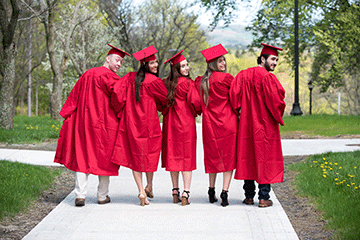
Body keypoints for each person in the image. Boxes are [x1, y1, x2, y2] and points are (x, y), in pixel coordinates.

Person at [54, 44, 130, 207]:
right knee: (105, 159)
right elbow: (119, 100)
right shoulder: (112, 78)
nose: (119, 64)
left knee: (82, 157)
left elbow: (73, 98)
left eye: (121, 62)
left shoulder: (87, 74)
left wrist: (68, 114)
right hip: (104, 125)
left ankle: (80, 195)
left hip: (84, 124)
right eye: (117, 60)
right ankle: (102, 196)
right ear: (107, 59)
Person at [229, 43, 286, 208]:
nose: (275, 63)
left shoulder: (243, 75)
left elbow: (233, 95)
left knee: (248, 157)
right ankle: (263, 197)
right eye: (273, 59)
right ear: (263, 59)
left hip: (246, 124)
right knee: (264, 158)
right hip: (265, 125)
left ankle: (248, 196)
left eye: (276, 60)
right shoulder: (268, 78)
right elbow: (277, 102)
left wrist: (240, 111)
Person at [110, 45, 167, 206]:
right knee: (150, 154)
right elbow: (165, 100)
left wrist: (119, 111)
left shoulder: (129, 78)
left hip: (132, 124)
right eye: (152, 63)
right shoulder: (154, 81)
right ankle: (148, 186)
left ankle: (143, 190)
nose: (155, 65)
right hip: (150, 126)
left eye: (156, 62)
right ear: (145, 65)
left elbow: (116, 93)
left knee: (136, 157)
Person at [192, 44, 238, 207]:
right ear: (213, 64)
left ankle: (211, 190)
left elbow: (197, 103)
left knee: (213, 157)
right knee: (228, 158)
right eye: (220, 61)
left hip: (210, 125)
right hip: (228, 123)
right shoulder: (227, 79)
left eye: (224, 60)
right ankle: (224, 192)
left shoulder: (202, 81)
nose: (224, 63)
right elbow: (235, 100)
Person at [162, 50, 197, 206]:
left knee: (173, 156)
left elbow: (161, 103)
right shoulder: (189, 84)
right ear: (176, 68)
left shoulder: (166, 84)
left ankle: (175, 190)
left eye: (186, 65)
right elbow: (196, 103)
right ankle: (186, 192)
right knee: (186, 157)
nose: (187, 68)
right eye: (183, 66)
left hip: (171, 124)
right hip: (186, 123)